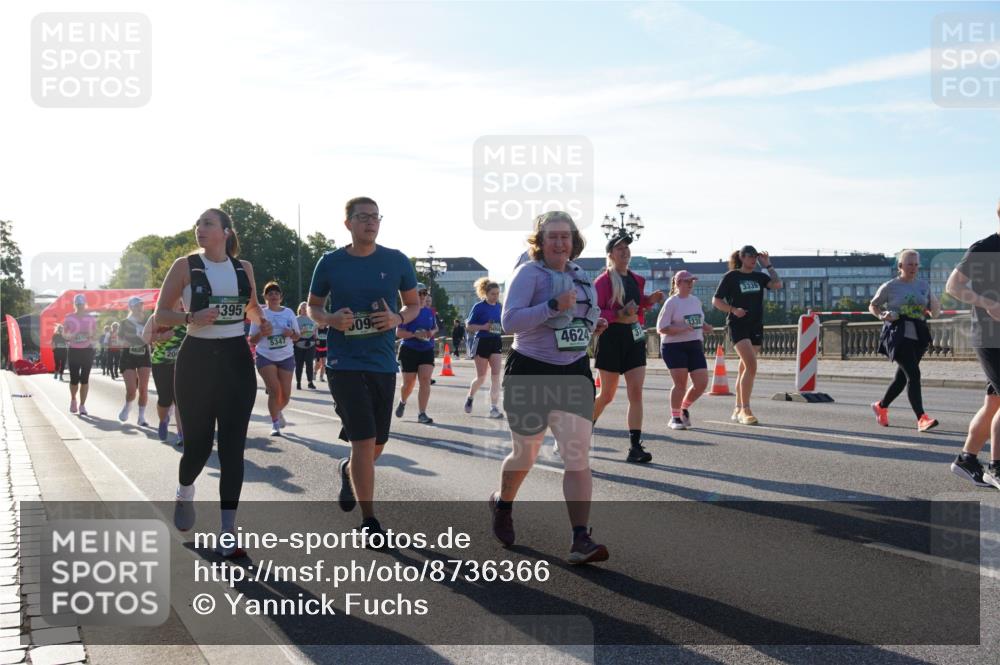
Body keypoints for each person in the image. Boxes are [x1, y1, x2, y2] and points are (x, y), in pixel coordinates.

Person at [489, 211, 610, 564]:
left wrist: (591, 326)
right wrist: (552, 306)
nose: (559, 242)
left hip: (574, 371)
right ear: (540, 242)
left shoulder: (580, 275)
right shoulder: (528, 273)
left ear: (574, 241)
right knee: (526, 454)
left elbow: (577, 318)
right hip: (531, 370)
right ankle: (503, 503)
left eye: (565, 236)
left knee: (577, 455)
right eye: (552, 236)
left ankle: (580, 538)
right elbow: (509, 321)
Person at [155, 207, 270, 558]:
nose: (199, 229)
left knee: (234, 449)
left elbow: (251, 307)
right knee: (199, 447)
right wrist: (192, 316)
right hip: (197, 360)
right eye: (198, 224)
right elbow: (161, 314)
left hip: (236, 360)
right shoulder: (185, 266)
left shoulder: (243, 268)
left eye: (207, 223)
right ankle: (184, 490)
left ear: (226, 231)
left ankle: (227, 531)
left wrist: (261, 321)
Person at [307, 197, 419, 538]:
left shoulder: (397, 260)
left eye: (375, 217)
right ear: (348, 224)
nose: (370, 222)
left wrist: (397, 318)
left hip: (382, 361)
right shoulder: (330, 262)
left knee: (376, 444)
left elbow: (413, 305)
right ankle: (369, 521)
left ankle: (348, 470)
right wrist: (329, 319)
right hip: (344, 362)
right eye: (363, 217)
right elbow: (312, 306)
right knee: (364, 440)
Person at [592, 230, 665, 462]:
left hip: (634, 337)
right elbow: (595, 311)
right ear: (611, 254)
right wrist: (618, 314)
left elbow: (637, 304)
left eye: (627, 248)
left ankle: (635, 447)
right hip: (611, 338)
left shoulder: (636, 279)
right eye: (619, 248)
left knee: (636, 392)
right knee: (607, 395)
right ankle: (581, 430)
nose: (625, 252)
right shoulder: (603, 281)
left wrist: (649, 300)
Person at [946, 204, 1000, 489]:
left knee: (994, 403)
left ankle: (967, 459)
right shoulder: (983, 248)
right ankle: (997, 467)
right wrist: (988, 303)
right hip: (990, 336)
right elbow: (953, 286)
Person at [869, 250, 941, 432]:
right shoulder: (890, 286)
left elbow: (933, 310)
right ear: (900, 266)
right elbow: (873, 305)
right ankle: (921, 418)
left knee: (902, 378)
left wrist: (935, 306)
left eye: (916, 264)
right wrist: (882, 315)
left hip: (919, 334)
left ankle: (881, 406)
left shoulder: (923, 285)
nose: (913, 268)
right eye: (910, 264)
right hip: (898, 335)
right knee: (914, 375)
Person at [712, 246, 782, 425]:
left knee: (745, 369)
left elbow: (777, 285)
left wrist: (768, 266)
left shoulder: (759, 277)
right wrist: (733, 310)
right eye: (750, 256)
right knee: (751, 365)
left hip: (755, 325)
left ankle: (737, 407)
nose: (753, 259)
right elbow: (716, 301)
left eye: (755, 257)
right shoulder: (731, 276)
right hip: (738, 325)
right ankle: (745, 409)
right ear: (742, 257)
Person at [657, 270, 713, 430]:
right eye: (687, 281)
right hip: (674, 346)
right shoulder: (671, 302)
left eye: (692, 282)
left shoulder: (695, 301)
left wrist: (705, 326)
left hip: (694, 344)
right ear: (678, 283)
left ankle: (683, 408)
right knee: (680, 384)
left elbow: (697, 320)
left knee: (701, 383)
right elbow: (661, 328)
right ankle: (675, 418)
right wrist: (681, 328)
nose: (690, 284)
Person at [250, 282, 300, 437]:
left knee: (285, 395)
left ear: (281, 297)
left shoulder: (289, 313)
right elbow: (252, 340)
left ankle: (277, 411)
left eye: (276, 293)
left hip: (286, 356)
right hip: (266, 356)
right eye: (270, 293)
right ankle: (275, 424)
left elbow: (297, 336)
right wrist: (262, 333)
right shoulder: (260, 314)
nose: (273, 296)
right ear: (265, 297)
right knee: (274, 390)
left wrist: (291, 333)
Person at [143, 301, 186, 444]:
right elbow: (145, 337)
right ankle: (163, 420)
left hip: (181, 363)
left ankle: (182, 434)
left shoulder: (187, 316)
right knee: (165, 399)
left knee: (180, 398)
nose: (179, 303)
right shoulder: (157, 317)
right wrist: (161, 337)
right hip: (161, 362)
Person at [395, 285, 438, 424]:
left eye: (425, 293)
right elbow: (399, 332)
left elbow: (435, 328)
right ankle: (403, 401)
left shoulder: (429, 312)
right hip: (409, 349)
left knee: (425, 380)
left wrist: (430, 332)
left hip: (426, 349)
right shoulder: (406, 311)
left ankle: (422, 413)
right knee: (409, 383)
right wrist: (415, 334)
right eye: (420, 293)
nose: (423, 296)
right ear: (413, 294)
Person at [463, 277, 505, 419]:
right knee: (481, 378)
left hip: (496, 341)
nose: (495, 296)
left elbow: (502, 324)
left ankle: (494, 408)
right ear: (485, 293)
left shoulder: (499, 306)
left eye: (497, 293)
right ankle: (470, 397)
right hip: (482, 341)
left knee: (496, 377)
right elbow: (469, 326)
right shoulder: (479, 307)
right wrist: (484, 327)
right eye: (493, 294)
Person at [117, 296, 153, 427]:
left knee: (143, 389)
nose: (139, 307)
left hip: (144, 355)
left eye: (141, 305)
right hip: (128, 357)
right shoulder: (124, 323)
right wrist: (124, 343)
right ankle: (128, 406)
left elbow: (152, 337)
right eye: (137, 305)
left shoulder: (148, 321)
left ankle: (141, 417)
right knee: (132, 390)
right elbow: (118, 340)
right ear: (131, 308)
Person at [62, 294, 97, 415]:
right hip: (74, 350)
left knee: (85, 379)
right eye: (78, 304)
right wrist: (71, 336)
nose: (80, 306)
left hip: (87, 350)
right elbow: (64, 334)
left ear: (85, 304)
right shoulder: (69, 317)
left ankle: (82, 405)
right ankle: (73, 400)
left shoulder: (90, 318)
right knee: (74, 379)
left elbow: (94, 334)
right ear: (75, 304)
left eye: (81, 304)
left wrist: (89, 334)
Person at [294, 301, 317, 390]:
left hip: (310, 344)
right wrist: (301, 332)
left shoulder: (312, 319)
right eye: (303, 308)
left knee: (309, 363)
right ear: (300, 309)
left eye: (306, 307)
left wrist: (315, 335)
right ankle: (298, 382)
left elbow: (315, 330)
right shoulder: (296, 319)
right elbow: (293, 333)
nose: (305, 309)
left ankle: (310, 382)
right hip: (299, 344)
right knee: (299, 364)